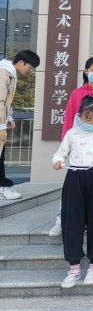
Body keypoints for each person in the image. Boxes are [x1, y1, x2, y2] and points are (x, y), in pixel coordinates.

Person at [52, 97, 93, 288]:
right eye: (88, 119)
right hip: (75, 176)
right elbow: (60, 153)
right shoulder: (72, 133)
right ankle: (74, 268)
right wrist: (57, 161)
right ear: (80, 116)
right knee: (72, 221)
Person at [49, 56, 93, 238]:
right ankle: (61, 219)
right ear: (86, 72)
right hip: (79, 147)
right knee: (72, 188)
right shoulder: (77, 93)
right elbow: (69, 119)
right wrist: (66, 144)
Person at [0, 50, 39, 201]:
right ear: (21, 62)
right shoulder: (4, 73)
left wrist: (8, 117)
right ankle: (2, 187)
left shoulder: (9, 72)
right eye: (29, 67)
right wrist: (1, 126)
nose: (30, 71)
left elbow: (5, 101)